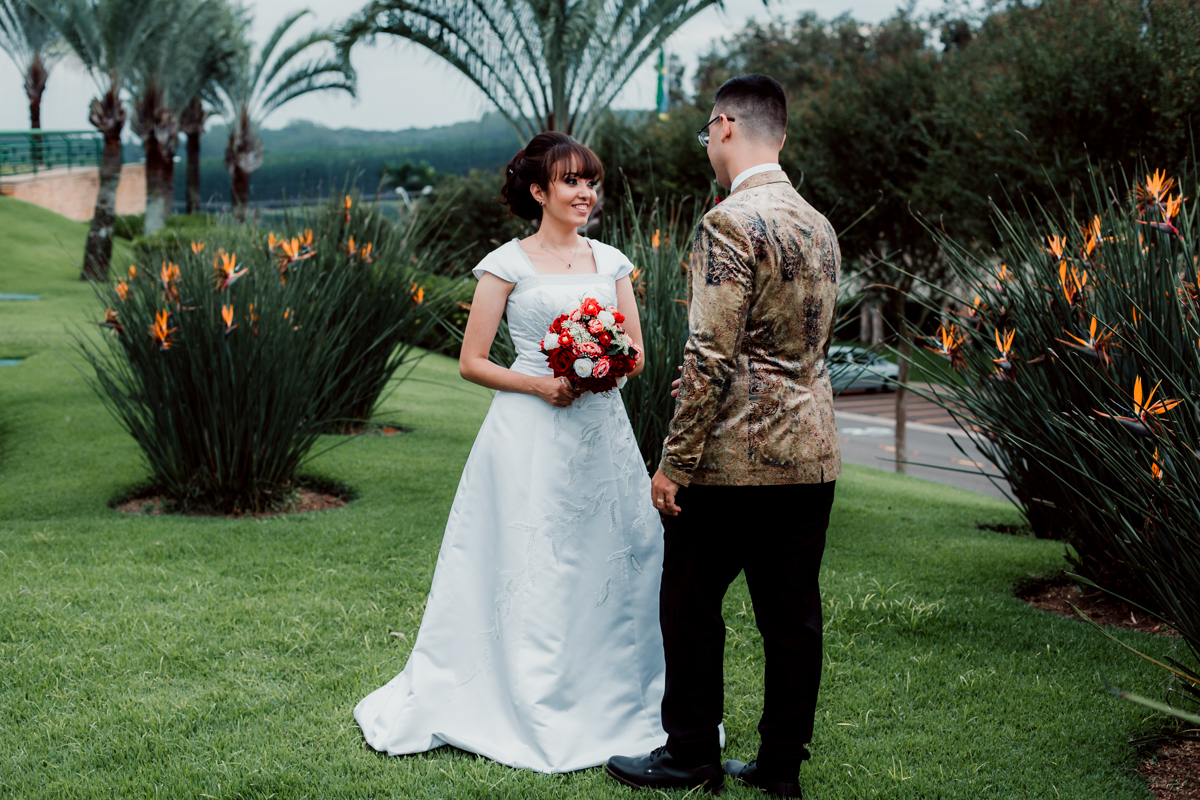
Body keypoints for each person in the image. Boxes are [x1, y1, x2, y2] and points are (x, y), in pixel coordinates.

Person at [354, 132, 669, 773]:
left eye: (591, 182)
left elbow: (638, 353)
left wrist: (605, 362)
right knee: (533, 557)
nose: (585, 194)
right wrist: (542, 382)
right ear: (538, 191)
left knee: (616, 557)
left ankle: (615, 692)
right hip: (528, 430)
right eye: (572, 182)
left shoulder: (611, 262)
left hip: (602, 431)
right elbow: (471, 362)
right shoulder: (507, 264)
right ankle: (526, 694)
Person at [605, 74, 842, 799]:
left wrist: (673, 463)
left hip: (733, 462)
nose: (707, 144)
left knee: (690, 606)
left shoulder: (729, 222)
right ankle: (779, 769)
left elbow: (710, 354)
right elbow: (789, 346)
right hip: (812, 452)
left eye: (707, 132)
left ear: (724, 127)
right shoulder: (818, 223)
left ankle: (689, 756)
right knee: (793, 618)